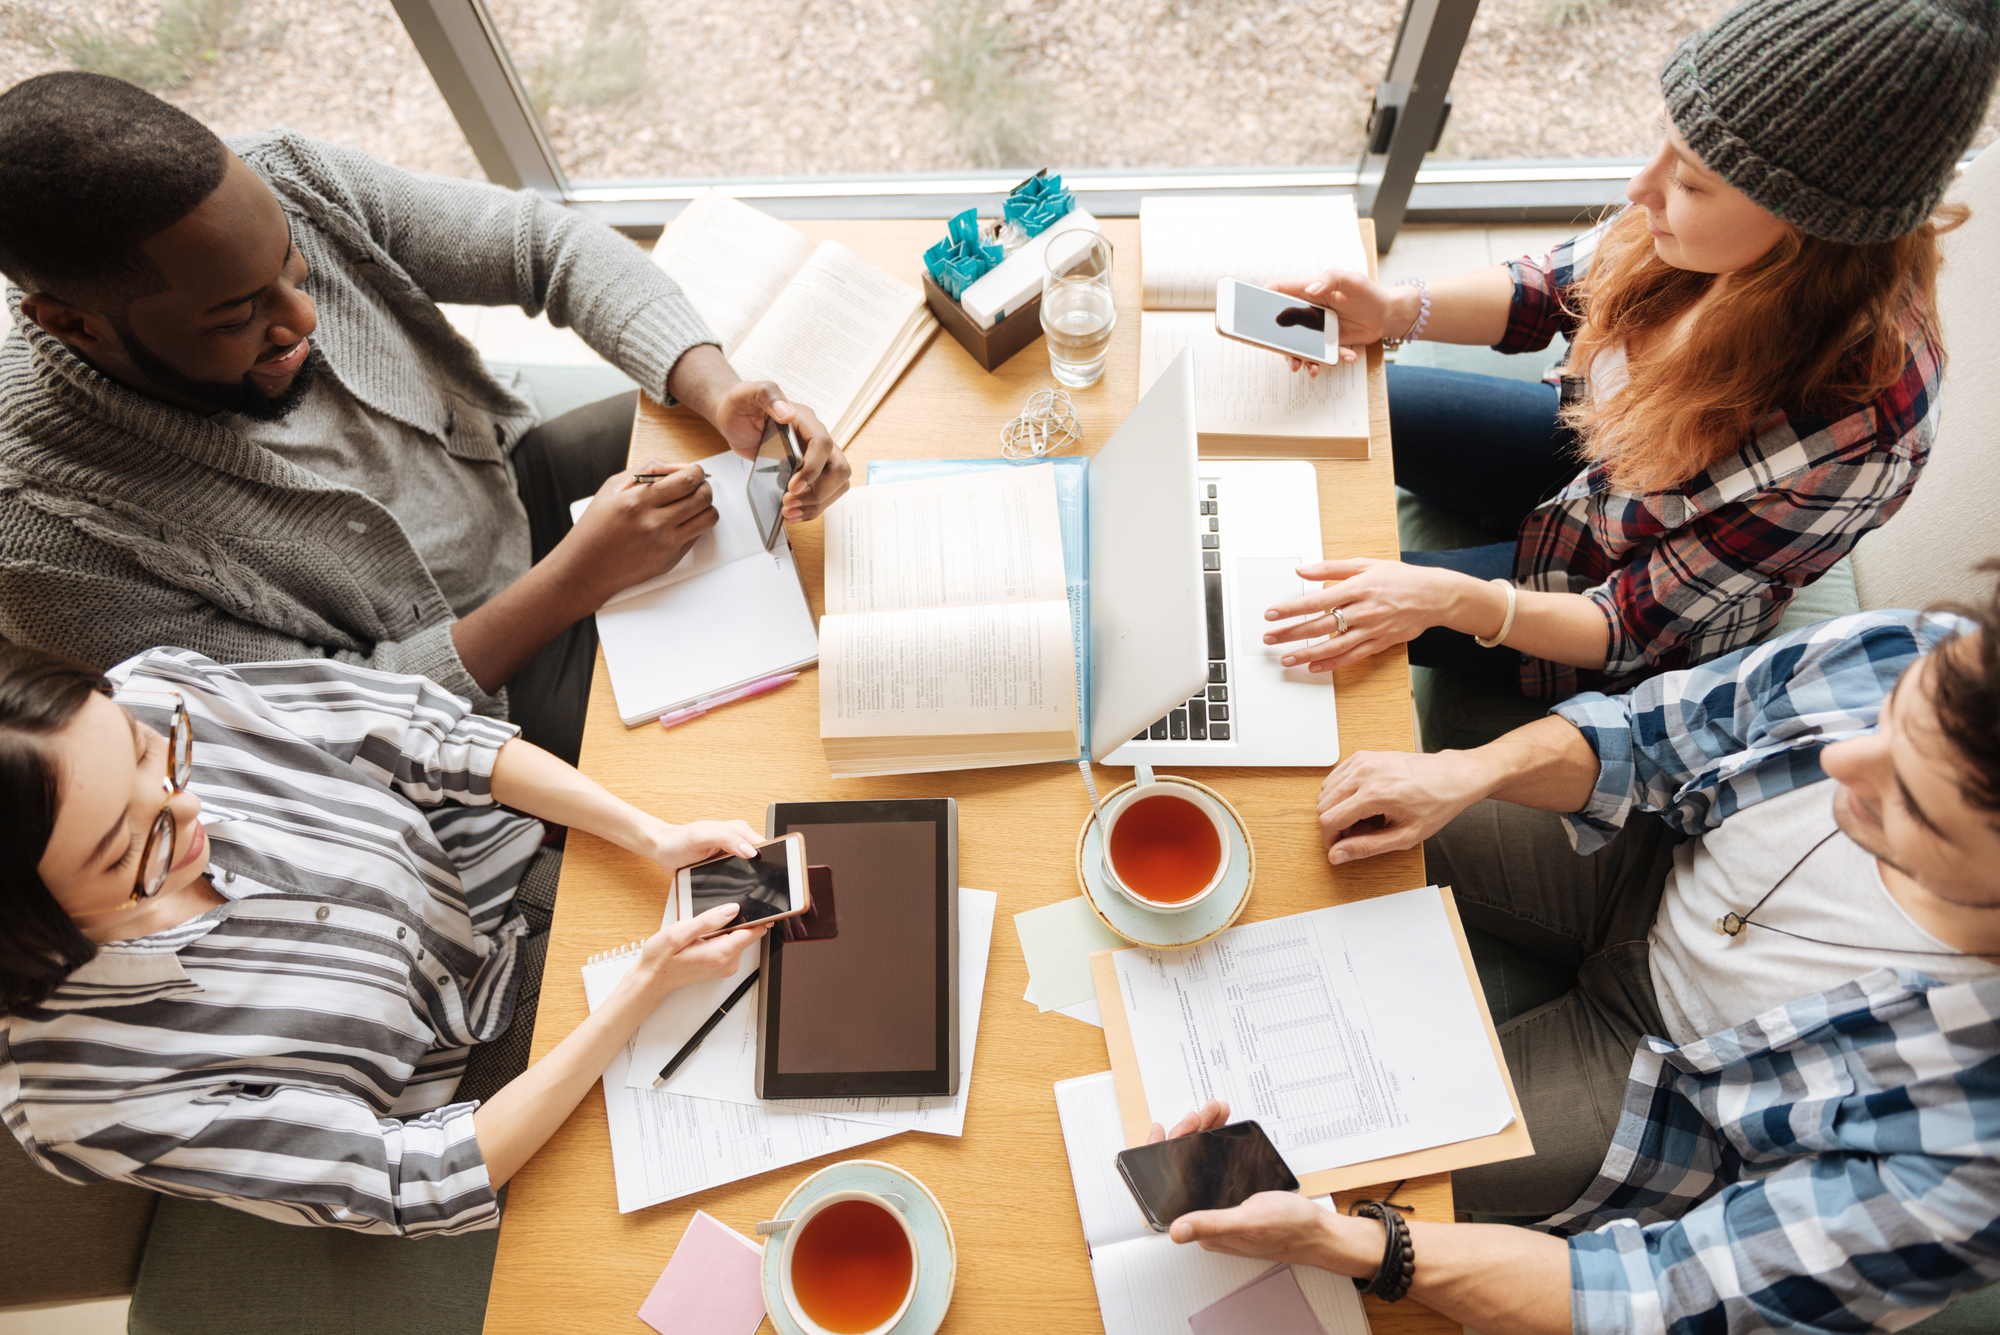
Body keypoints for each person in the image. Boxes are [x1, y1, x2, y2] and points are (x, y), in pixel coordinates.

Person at [1150, 569, 2000, 1332]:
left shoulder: (1974, 1152)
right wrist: (1468, 772)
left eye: (1907, 806)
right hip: (1641, 858)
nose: (1842, 757)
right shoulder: (1923, 655)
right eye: (1889, 719)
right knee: (1312, 814)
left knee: (1292, 1171)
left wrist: (1373, 1246)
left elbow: (1658, 1291)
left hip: (1677, 1096)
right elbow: (1649, 734)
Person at [0, 72, 850, 766]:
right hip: (469, 699)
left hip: (525, 485)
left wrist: (713, 385)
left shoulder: (286, 174)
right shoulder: (44, 544)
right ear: (72, 324)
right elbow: (320, 731)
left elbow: (540, 249)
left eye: (295, 268)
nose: (303, 322)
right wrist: (579, 579)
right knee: (771, 745)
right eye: (237, 318)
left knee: (821, 534)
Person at [1259, 0, 1998, 703]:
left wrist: (1457, 599)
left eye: (1688, 182)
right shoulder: (1709, 224)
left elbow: (1629, 625)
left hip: (1607, 590)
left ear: (1806, 232)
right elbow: (1552, 285)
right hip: (1593, 453)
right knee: (1341, 399)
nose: (1639, 186)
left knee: (1288, 602)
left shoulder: (1863, 434)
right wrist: (1392, 311)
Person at [0, 640, 771, 1231]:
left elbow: (424, 733)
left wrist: (649, 832)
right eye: (129, 847)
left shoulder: (154, 688)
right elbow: (410, 1177)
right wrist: (639, 991)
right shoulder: (81, 1097)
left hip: (498, 875)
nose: (188, 807)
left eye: (148, 751)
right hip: (478, 1083)